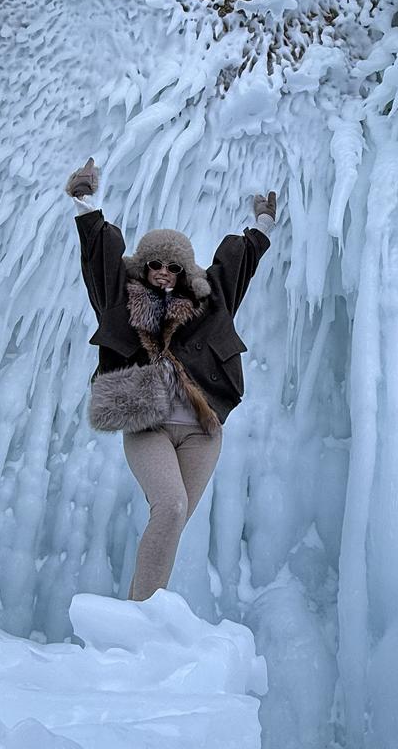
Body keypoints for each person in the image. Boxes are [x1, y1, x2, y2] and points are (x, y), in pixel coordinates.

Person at [65, 157, 276, 601]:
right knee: (172, 505)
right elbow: (100, 255)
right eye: (155, 263)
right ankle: (140, 614)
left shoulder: (209, 301)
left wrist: (263, 222)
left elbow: (239, 262)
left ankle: (140, 608)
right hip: (149, 427)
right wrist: (85, 200)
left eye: (174, 266)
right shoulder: (121, 299)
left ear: (185, 273)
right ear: (143, 266)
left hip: (203, 431)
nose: (163, 271)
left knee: (172, 519)